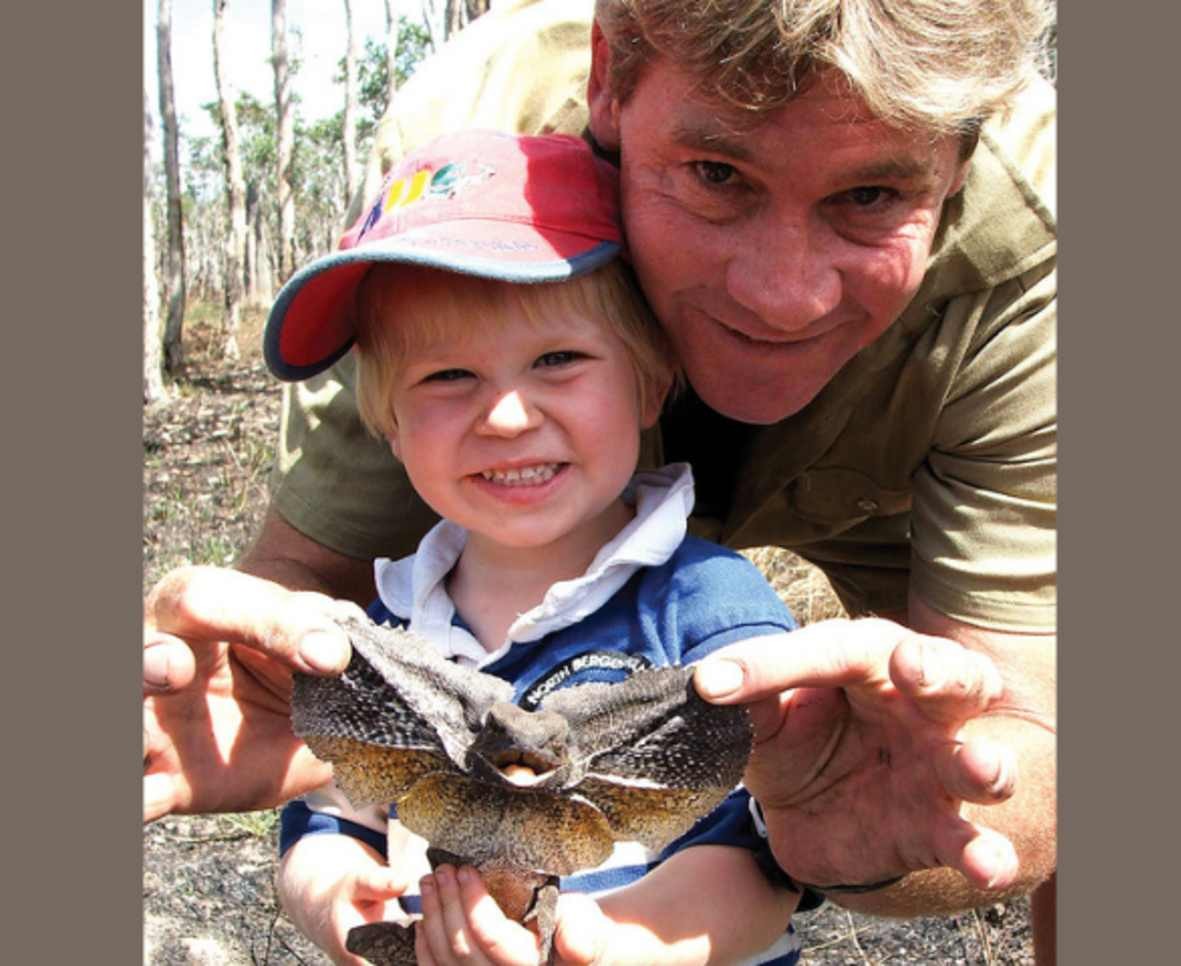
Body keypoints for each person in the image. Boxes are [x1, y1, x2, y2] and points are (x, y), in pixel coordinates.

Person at [144, 0, 1056, 958]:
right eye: (717, 173)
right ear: (609, 78)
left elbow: (1025, 729)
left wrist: (853, 835)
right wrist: (324, 836)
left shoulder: (1043, 228)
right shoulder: (468, 141)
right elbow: (296, 628)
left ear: (959, 159)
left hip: (904, 434)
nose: (784, 296)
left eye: (870, 196)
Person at [269, 128, 803, 965]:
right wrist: (339, 899)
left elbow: (767, 853)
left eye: (557, 359)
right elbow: (326, 815)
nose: (508, 416)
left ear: (650, 381)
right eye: (446, 377)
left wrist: (614, 944)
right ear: (389, 426)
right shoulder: (380, 634)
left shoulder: (706, 608)